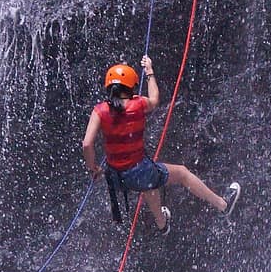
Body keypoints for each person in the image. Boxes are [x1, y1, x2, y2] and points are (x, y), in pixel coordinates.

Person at [82, 55, 240, 234]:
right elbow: (155, 99)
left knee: (150, 183)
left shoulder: (100, 110)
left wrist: (93, 168)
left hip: (116, 178)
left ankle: (162, 224)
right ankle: (222, 205)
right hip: (139, 172)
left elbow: (87, 144)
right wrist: (149, 72)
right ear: (131, 87)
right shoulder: (138, 104)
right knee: (180, 173)